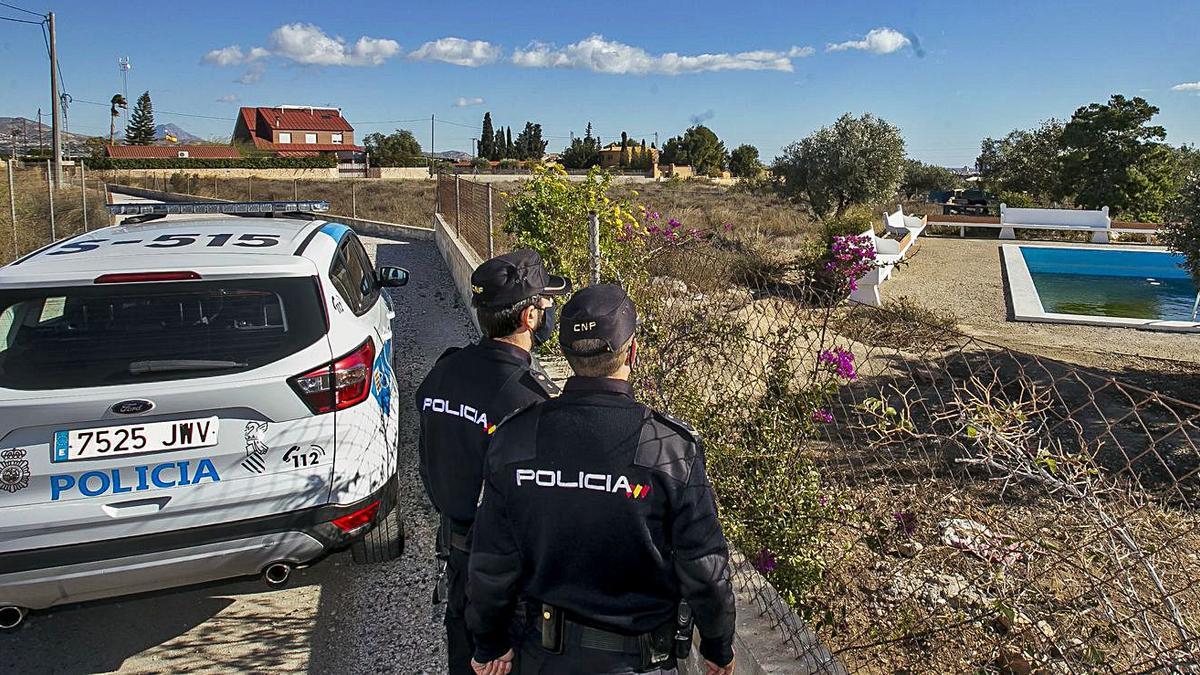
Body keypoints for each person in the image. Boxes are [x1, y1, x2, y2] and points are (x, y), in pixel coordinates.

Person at [466, 284, 737, 675]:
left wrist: (489, 642)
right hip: (639, 663)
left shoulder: (515, 437)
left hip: (543, 659)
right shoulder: (670, 448)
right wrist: (718, 647)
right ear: (632, 351)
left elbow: (491, 561)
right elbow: (705, 570)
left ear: (566, 353)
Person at [416, 249, 570, 675]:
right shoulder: (530, 401)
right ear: (529, 319)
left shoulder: (444, 372)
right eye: (546, 303)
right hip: (508, 583)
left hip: (460, 565)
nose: (550, 310)